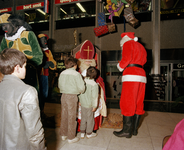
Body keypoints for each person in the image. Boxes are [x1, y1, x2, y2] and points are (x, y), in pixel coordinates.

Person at [0, 48, 46, 150]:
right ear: (17, 68)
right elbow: (34, 133)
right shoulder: (27, 91)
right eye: (24, 66)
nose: (26, 69)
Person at [113, 32, 147, 138]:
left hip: (131, 74)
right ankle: (134, 130)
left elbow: (127, 58)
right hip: (142, 74)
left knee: (127, 101)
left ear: (125, 39)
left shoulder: (128, 44)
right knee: (138, 102)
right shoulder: (141, 46)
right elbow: (144, 60)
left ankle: (127, 131)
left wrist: (120, 66)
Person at [0, 13, 43, 93]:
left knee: (30, 95)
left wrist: (26, 65)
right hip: (11, 73)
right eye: (2, 26)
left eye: (5, 25)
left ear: (13, 24)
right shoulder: (5, 39)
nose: (3, 28)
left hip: (28, 72)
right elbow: (1, 56)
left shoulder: (28, 34)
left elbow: (39, 56)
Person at [58, 56, 85, 144]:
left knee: (64, 115)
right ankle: (71, 137)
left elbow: (59, 85)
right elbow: (82, 88)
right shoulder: (77, 74)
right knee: (72, 116)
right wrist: (81, 90)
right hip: (72, 96)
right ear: (75, 65)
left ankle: (63, 134)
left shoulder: (62, 73)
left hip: (63, 96)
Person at [38, 34, 56, 112]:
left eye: (45, 40)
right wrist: (42, 64)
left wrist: (52, 64)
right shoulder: (36, 50)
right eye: (43, 39)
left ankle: (42, 110)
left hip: (45, 75)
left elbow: (53, 62)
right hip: (37, 76)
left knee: (44, 94)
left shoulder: (48, 51)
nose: (45, 41)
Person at [79, 66, 99, 139]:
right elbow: (95, 97)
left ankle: (82, 133)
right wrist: (95, 106)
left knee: (83, 118)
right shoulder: (94, 85)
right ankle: (89, 134)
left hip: (83, 104)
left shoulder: (83, 82)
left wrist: (80, 101)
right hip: (90, 105)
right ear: (95, 75)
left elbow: (80, 92)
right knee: (90, 119)